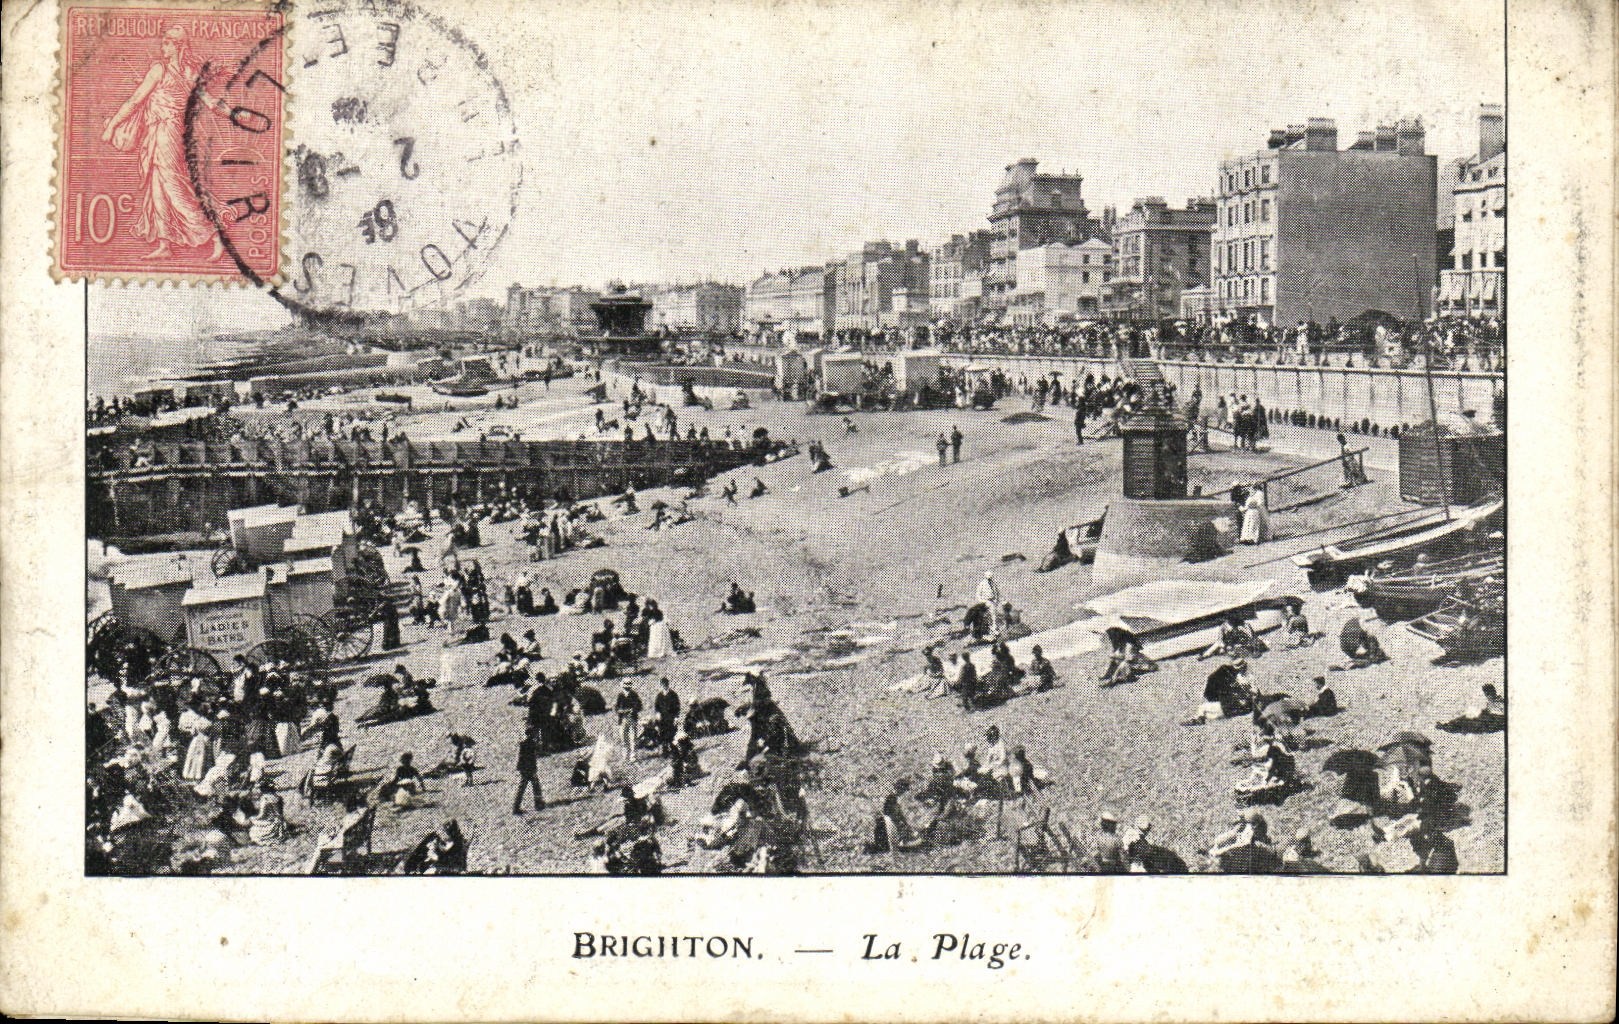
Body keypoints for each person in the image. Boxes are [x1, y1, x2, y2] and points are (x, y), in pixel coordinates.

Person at [99, 26, 229, 262]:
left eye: (167, 43)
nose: (163, 47)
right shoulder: (181, 72)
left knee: (174, 186)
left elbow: (135, 100)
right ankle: (164, 243)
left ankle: (214, 234)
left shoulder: (164, 71)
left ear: (178, 46)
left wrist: (111, 127)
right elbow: (210, 102)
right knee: (157, 187)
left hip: (168, 134)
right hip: (157, 133)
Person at [511, 730, 545, 813]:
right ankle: (538, 804)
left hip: (524, 768)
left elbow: (521, 757)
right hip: (530, 768)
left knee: (523, 788)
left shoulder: (523, 743)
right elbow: (539, 752)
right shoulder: (532, 743)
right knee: (536, 787)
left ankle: (516, 807)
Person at [614, 679, 643, 764]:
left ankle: (633, 756)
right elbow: (617, 708)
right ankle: (625, 756)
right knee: (623, 738)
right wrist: (623, 711)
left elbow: (640, 706)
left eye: (628, 684)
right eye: (625, 684)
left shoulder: (634, 695)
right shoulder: (620, 695)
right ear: (622, 685)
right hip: (623, 719)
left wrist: (633, 710)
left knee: (633, 737)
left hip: (632, 718)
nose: (627, 686)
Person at [1092, 808, 1126, 873]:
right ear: (1112, 825)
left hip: (1101, 868)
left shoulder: (1098, 838)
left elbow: (1095, 854)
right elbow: (1123, 857)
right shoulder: (1116, 839)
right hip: (1114, 868)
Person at [653, 677, 681, 754]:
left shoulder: (673, 695)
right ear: (661, 685)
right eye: (662, 685)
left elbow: (677, 707)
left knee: (672, 734)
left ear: (668, 684)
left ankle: (673, 750)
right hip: (662, 718)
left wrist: (676, 717)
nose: (664, 686)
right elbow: (657, 707)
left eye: (665, 684)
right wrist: (657, 714)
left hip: (671, 717)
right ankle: (665, 751)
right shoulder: (659, 696)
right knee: (663, 734)